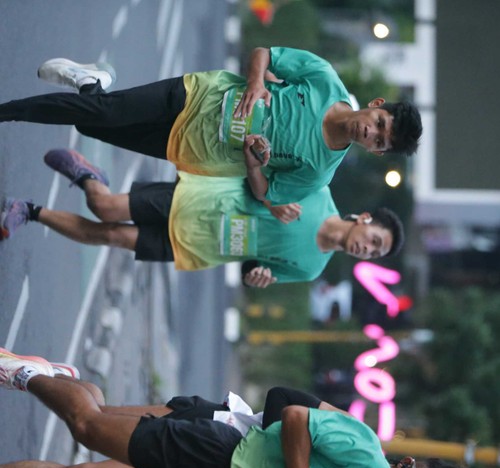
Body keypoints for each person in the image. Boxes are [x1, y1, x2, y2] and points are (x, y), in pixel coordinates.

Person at [0, 348, 487, 468]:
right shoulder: (365, 454)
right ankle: (26, 374)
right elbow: (293, 415)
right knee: (87, 427)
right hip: (219, 455)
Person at [0, 47, 423, 204]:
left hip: (189, 148)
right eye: (379, 123)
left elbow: (265, 194)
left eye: (380, 140)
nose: (372, 132)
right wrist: (256, 83)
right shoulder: (324, 79)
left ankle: (90, 83)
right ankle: (7, 111)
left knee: (94, 124)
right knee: (104, 114)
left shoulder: (317, 174)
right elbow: (265, 54)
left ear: (377, 152)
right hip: (197, 94)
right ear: (376, 106)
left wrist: (254, 163)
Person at [0, 148, 404, 288]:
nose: (367, 250)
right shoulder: (316, 191)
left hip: (199, 247)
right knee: (104, 208)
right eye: (374, 241)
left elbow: (253, 268)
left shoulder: (313, 268)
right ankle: (90, 177)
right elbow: (260, 169)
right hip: (201, 202)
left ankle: (29, 211)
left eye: (375, 254)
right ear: (365, 219)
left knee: (112, 237)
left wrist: (256, 276)